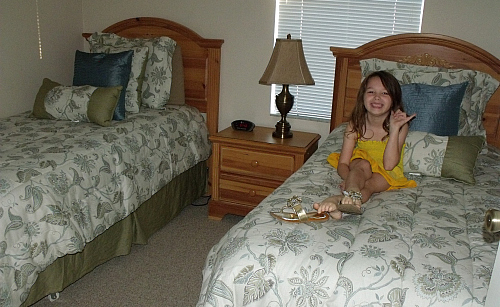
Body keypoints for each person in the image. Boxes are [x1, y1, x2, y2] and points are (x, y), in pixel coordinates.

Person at [314, 71, 417, 219]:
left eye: (384, 93)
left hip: (386, 172)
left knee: (369, 186)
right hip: (361, 167)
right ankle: (348, 197)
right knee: (361, 164)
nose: (377, 97)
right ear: (362, 96)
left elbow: (389, 166)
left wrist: (394, 129)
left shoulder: (401, 127)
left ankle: (339, 201)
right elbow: (343, 163)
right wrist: (351, 178)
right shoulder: (356, 124)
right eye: (371, 91)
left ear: (394, 100)